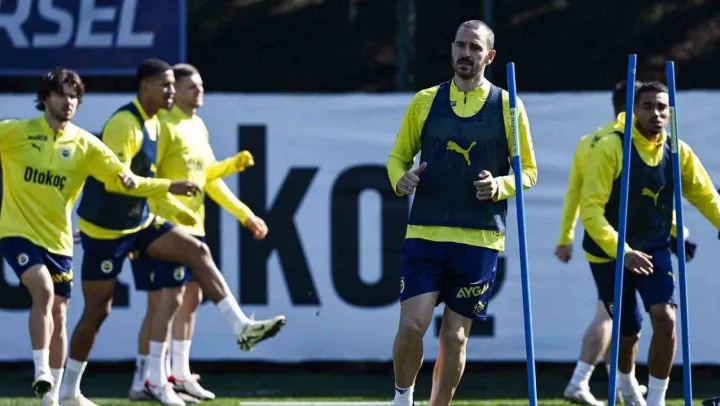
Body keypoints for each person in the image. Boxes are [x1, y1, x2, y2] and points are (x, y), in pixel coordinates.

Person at [58, 59, 286, 406]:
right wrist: (171, 189)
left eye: (171, 85)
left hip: (140, 221)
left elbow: (185, 177)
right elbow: (116, 184)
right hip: (106, 230)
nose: (170, 91)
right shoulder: (125, 124)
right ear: (145, 87)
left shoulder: (155, 123)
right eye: (165, 85)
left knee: (196, 253)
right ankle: (70, 389)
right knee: (98, 311)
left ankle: (241, 327)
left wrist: (204, 195)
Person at [0, 68, 200, 406]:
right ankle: (41, 372)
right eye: (61, 94)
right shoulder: (16, 132)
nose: (68, 102)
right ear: (45, 98)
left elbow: (128, 181)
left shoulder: (85, 144)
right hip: (16, 232)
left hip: (59, 240)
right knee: (43, 289)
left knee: (60, 315)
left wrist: (167, 186)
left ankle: (56, 397)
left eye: (74, 96)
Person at [386, 20, 537, 406]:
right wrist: (400, 179)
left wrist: (499, 185)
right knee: (412, 325)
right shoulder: (425, 101)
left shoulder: (508, 105)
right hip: (426, 233)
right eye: (460, 45)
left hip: (479, 237)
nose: (466, 53)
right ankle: (403, 398)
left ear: (490, 56)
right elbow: (398, 157)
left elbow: (528, 172)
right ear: (452, 49)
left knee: (454, 337)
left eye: (475, 47)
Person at [127, 63, 269, 403]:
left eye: (201, 85)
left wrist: (244, 213)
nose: (198, 91)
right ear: (174, 91)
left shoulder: (198, 125)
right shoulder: (163, 125)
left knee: (189, 300)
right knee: (163, 303)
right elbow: (147, 178)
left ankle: (178, 374)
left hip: (194, 226)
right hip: (164, 227)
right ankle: (145, 379)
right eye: (191, 86)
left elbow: (207, 179)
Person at [580, 81, 720, 406]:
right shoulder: (611, 147)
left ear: (670, 112)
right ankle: (628, 385)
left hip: (654, 246)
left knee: (665, 317)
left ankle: (656, 400)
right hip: (608, 252)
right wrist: (624, 252)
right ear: (633, 111)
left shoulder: (678, 151)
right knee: (628, 330)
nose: (656, 113)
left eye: (662, 107)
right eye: (647, 106)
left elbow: (705, 195)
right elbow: (590, 211)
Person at [556, 80, 650, 405]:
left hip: (597, 236)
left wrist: (566, 236)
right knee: (610, 314)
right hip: (623, 239)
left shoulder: (588, 140)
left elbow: (575, 193)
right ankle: (580, 380)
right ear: (635, 106)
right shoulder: (628, 141)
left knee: (613, 311)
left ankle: (619, 383)